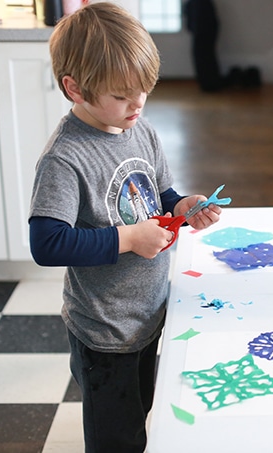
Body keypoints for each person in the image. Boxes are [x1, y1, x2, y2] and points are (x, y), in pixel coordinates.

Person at [28, 3, 222, 451]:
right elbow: (47, 243)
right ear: (74, 88)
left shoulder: (141, 129)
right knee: (116, 438)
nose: (137, 104)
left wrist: (185, 206)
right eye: (121, 95)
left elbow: (159, 196)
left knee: (141, 414)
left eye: (144, 92)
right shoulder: (65, 158)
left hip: (147, 314)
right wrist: (130, 238)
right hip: (104, 330)